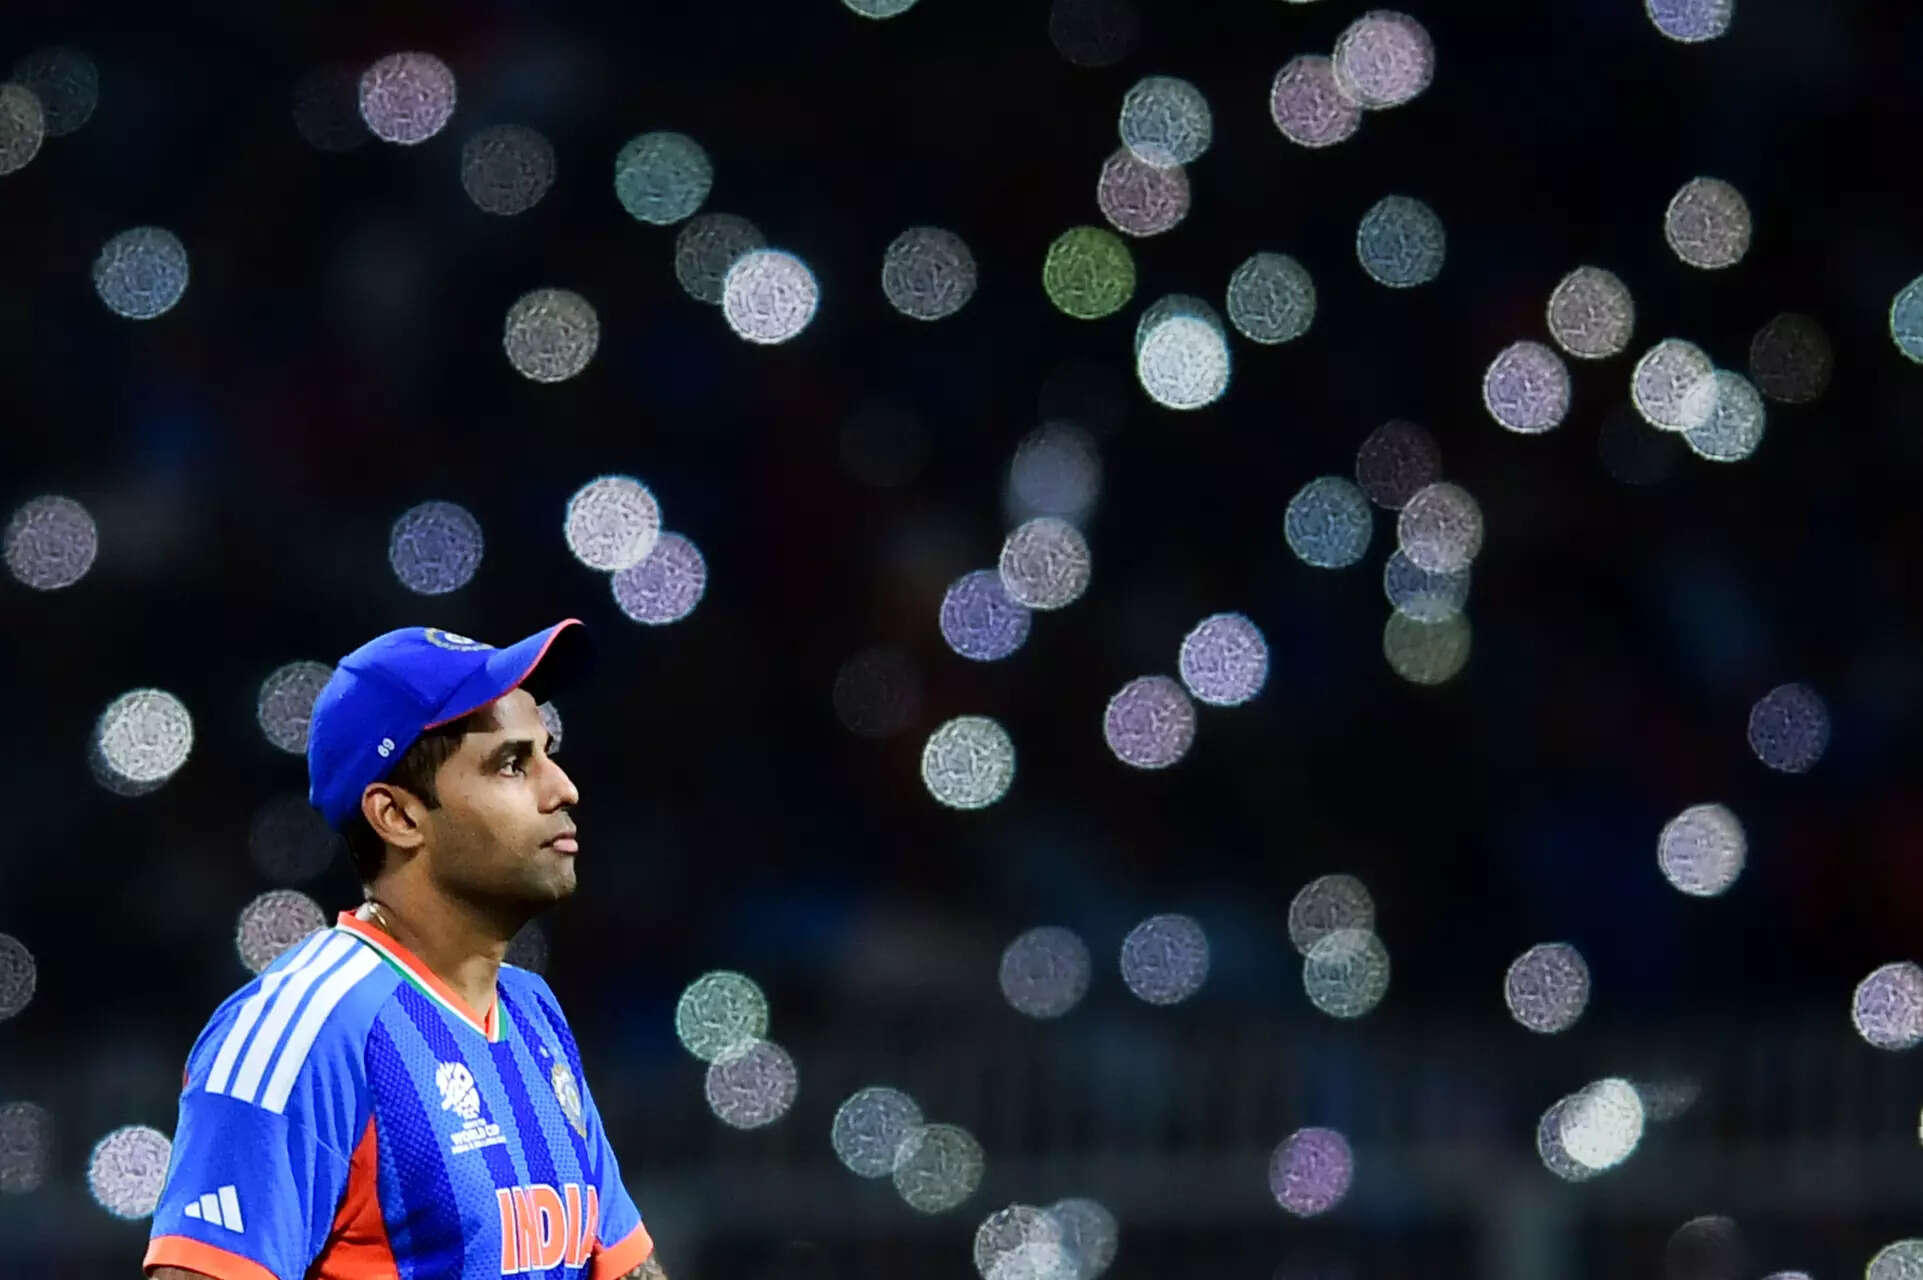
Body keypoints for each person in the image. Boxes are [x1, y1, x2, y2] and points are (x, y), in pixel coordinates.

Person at [143, 620, 666, 1280]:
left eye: (547, 752)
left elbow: (624, 1267)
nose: (563, 788)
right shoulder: (304, 1030)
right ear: (398, 816)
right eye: (512, 763)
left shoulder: (533, 1013)